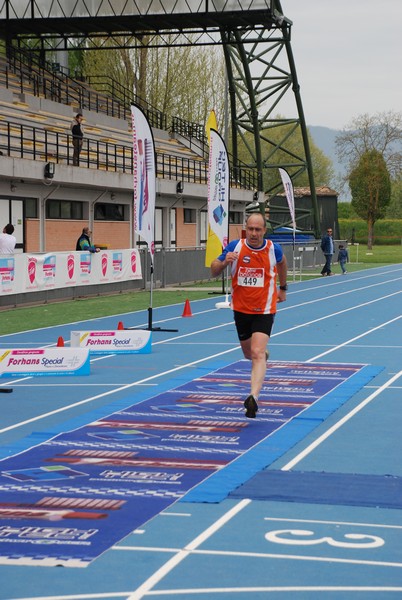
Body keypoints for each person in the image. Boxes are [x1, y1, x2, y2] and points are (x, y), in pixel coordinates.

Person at [210, 212, 288, 419]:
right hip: (241, 310)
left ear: (264, 230)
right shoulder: (235, 247)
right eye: (251, 229)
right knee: (249, 354)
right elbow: (213, 270)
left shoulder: (273, 249)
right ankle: (260, 357)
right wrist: (224, 262)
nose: (254, 233)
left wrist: (283, 288)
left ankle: (253, 397)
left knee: (257, 353)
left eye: (258, 229)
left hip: (264, 309)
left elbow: (282, 263)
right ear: (246, 229)